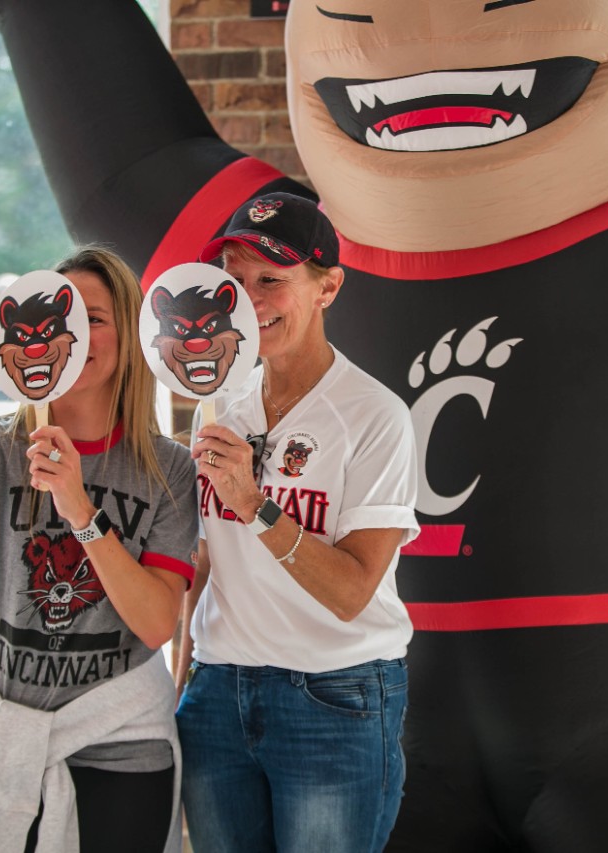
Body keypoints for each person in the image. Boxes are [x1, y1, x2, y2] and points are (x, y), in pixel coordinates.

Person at [0, 246, 197, 853]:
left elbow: (156, 623)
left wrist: (80, 510)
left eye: (93, 318)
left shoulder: (167, 468)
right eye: (59, 313)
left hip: (120, 739)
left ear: (129, 335)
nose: (70, 331)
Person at [176, 193, 420, 853]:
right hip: (219, 691)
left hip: (334, 697)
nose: (248, 299)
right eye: (235, 278)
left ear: (327, 287)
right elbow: (203, 558)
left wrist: (255, 504)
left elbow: (350, 591)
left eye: (271, 281)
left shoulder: (376, 416)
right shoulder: (218, 402)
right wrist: (180, 683)